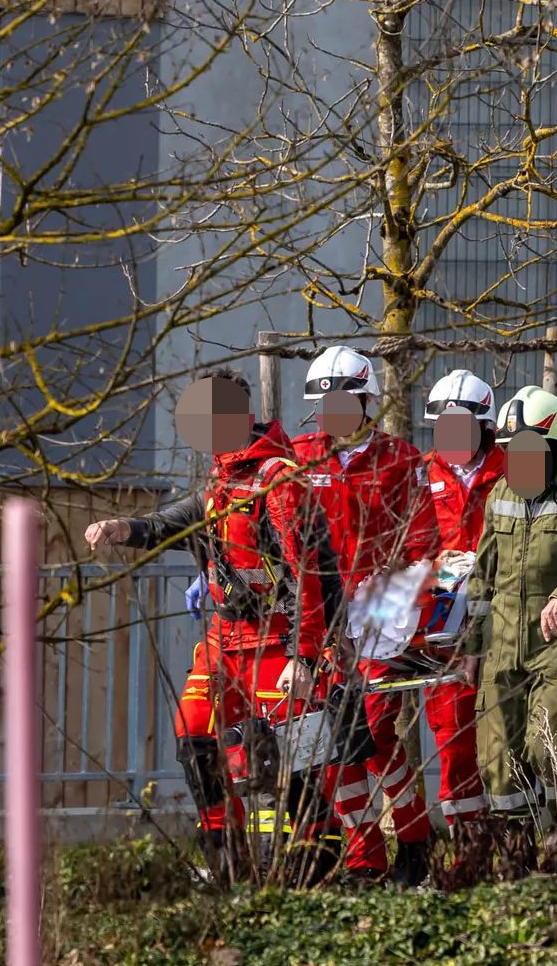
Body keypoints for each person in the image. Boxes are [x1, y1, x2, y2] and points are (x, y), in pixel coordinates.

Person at [84, 369, 343, 881]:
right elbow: (171, 522)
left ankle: (316, 864)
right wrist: (121, 528)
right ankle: (227, 858)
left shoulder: (278, 481)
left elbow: (311, 575)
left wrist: (306, 656)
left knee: (292, 760)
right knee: (193, 733)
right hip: (225, 641)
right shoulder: (219, 482)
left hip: (278, 641)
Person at [291, 344, 442, 886]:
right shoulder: (298, 458)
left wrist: (401, 620)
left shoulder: (400, 460)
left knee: (372, 737)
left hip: (379, 611)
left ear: (365, 403)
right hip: (320, 614)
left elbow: (424, 544)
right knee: (333, 749)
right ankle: (364, 860)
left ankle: (414, 838)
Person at [458, 386, 557, 864]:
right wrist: (471, 647)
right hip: (501, 648)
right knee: (499, 761)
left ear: (556, 446)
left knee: (553, 751)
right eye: (509, 452)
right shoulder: (500, 495)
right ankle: (515, 867)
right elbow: (483, 576)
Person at [416, 369, 505, 869]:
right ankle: (471, 858)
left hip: (507, 632)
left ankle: (523, 852)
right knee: (453, 746)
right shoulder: (420, 475)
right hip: (444, 634)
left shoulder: (514, 472)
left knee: (510, 748)